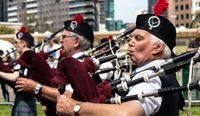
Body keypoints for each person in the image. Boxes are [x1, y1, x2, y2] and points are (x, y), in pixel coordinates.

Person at [56, 14, 184, 116]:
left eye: (138, 38)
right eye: (131, 38)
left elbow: (126, 113)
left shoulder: (151, 77)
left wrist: (75, 108)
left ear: (157, 48)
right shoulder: (158, 72)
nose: (130, 43)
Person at [15, 14, 95, 116]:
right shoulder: (72, 63)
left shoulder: (82, 65)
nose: (61, 40)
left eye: (64, 37)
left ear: (76, 42)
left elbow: (71, 96)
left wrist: (36, 87)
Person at [0, 28, 37, 116]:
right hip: (22, 98)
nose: (15, 45)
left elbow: (14, 77)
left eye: (16, 42)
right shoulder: (24, 57)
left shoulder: (28, 58)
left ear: (23, 44)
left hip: (25, 100)